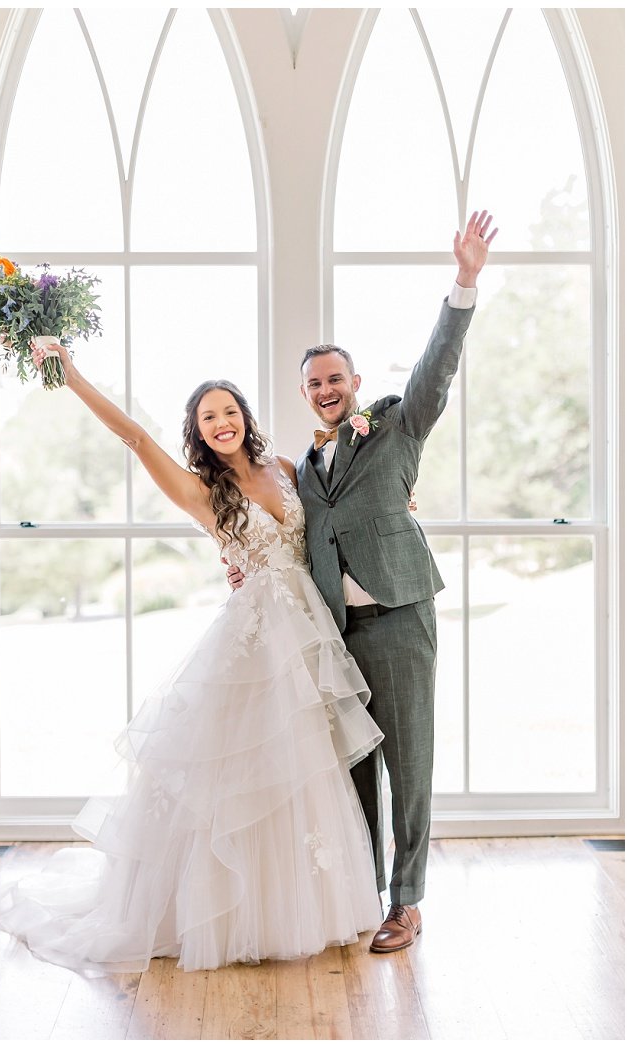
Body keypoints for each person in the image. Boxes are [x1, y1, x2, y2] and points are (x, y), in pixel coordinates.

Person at [0, 352, 384, 972]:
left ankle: (300, 905)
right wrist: (68, 374)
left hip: (309, 634)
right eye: (208, 417)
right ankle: (227, 915)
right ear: (198, 432)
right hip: (253, 641)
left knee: (302, 767)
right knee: (240, 774)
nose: (221, 423)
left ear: (245, 417)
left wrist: (400, 501)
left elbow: (335, 516)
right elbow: (134, 436)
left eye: (229, 411)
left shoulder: (284, 468)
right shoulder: (201, 489)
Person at [228, 209, 497, 953]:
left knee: (409, 765)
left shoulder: (396, 426)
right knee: (352, 772)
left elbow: (436, 369)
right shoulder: (305, 470)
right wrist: (239, 562)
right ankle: (360, 896)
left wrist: (465, 281)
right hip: (335, 637)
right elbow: (278, 528)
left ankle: (407, 904)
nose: (324, 389)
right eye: (313, 382)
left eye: (334, 378)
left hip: (401, 619)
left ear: (355, 383)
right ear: (304, 392)